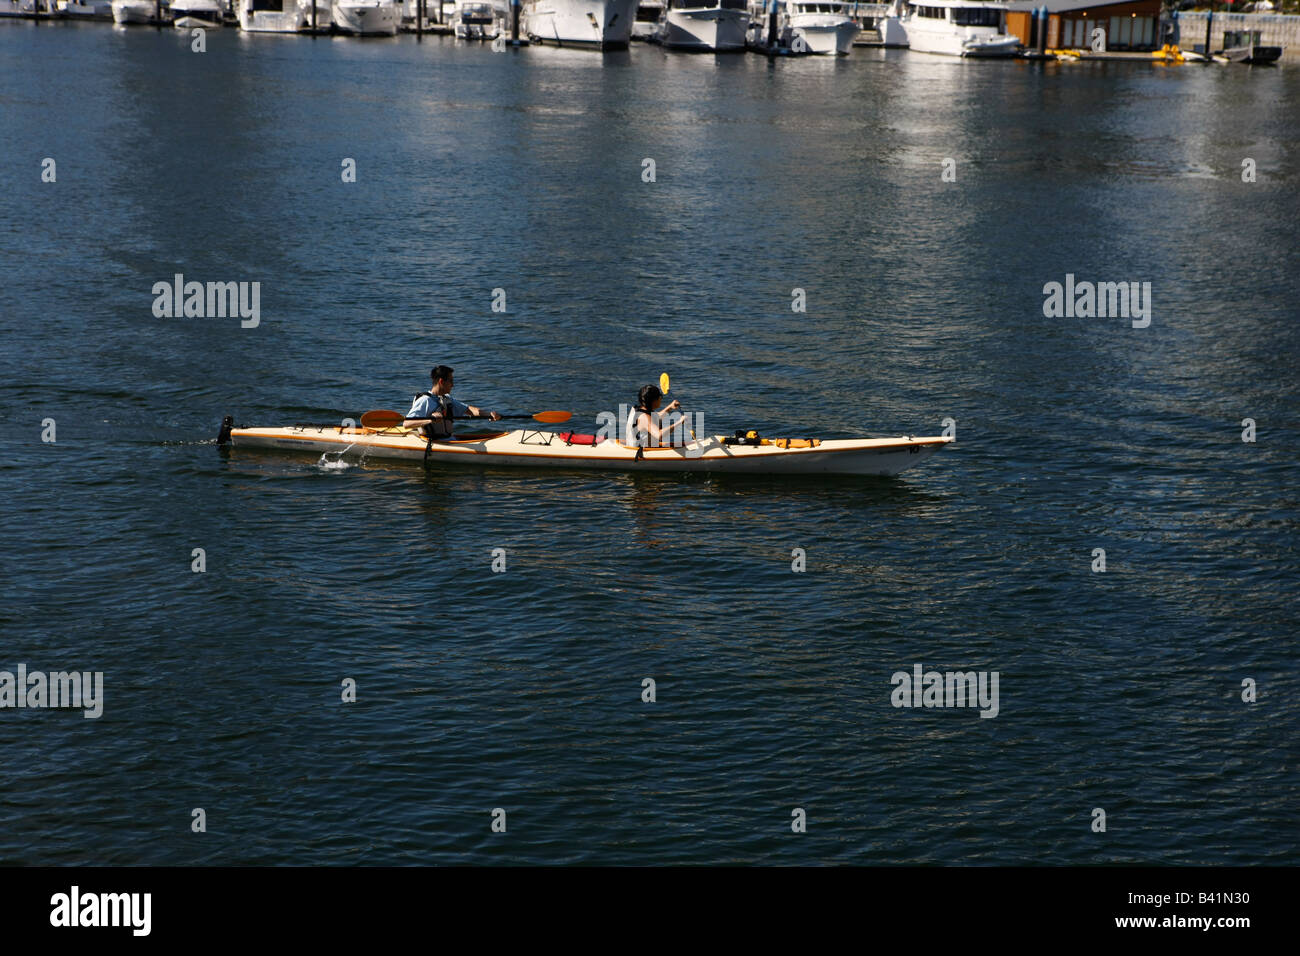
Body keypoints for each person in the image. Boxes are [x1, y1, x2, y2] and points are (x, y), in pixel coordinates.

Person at [404, 365, 501, 440]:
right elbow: (407, 423)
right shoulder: (425, 401)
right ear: (441, 381)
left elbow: (469, 409)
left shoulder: (447, 399)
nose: (453, 385)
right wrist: (431, 420)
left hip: (450, 439)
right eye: (450, 381)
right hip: (436, 443)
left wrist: (488, 414)